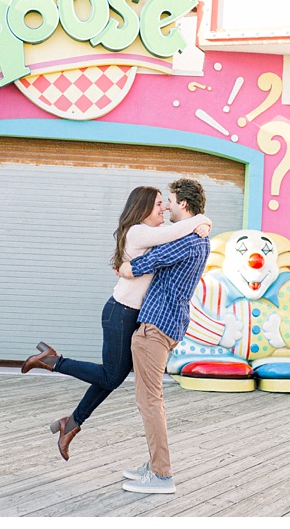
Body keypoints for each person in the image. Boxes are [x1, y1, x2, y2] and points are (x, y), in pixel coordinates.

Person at [21, 185, 211, 461]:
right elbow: (174, 233)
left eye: (166, 202)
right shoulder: (140, 231)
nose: (164, 208)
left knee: (111, 377)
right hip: (120, 312)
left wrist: (200, 223)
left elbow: (175, 239)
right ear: (144, 208)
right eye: (159, 204)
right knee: (111, 376)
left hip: (130, 315)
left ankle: (71, 423)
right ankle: (52, 362)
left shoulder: (155, 236)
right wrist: (203, 220)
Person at [117, 178, 210, 495]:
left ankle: (161, 475)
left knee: (149, 401)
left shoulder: (187, 241)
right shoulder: (197, 239)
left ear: (183, 204)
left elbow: (144, 263)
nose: (167, 206)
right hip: (167, 323)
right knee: (149, 400)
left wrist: (127, 268)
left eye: (169, 201)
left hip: (156, 326)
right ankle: (155, 466)